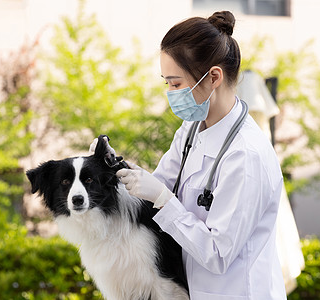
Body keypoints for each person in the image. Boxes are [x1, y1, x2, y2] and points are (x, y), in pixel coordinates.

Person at [92, 11, 286, 300]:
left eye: (176, 83)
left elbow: (218, 254)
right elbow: (158, 184)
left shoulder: (246, 157)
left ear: (213, 77)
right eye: (166, 83)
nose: (170, 93)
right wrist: (119, 170)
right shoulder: (192, 128)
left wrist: (163, 199)